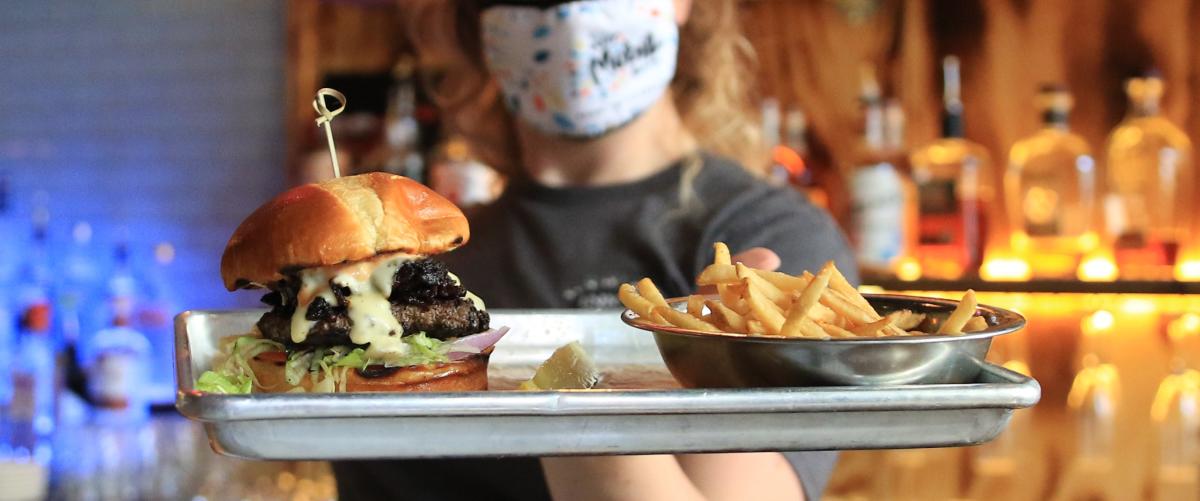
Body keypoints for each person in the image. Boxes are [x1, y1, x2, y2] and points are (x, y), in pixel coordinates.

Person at [334, 0, 856, 499]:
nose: (569, 17)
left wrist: (595, 388)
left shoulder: (771, 246)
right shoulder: (425, 258)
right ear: (479, 25)